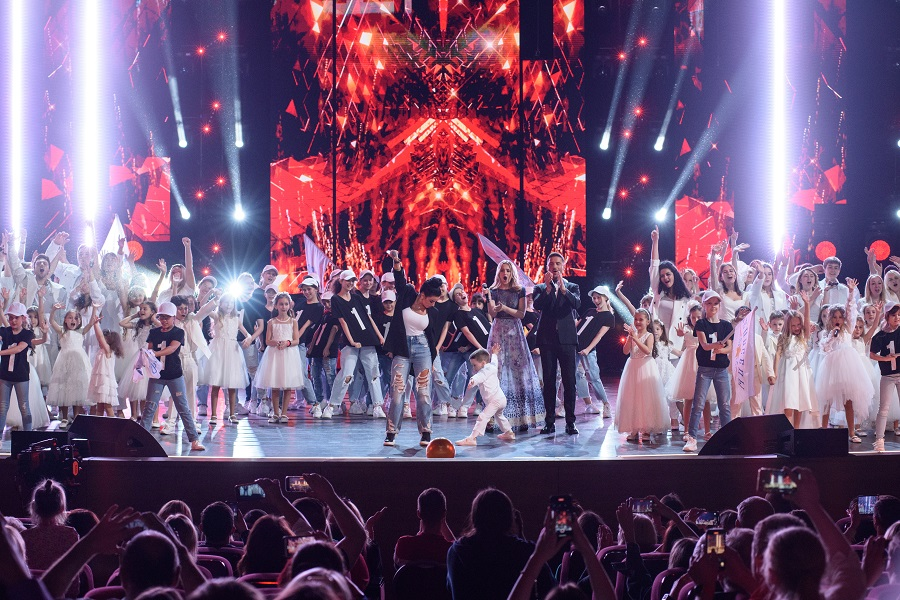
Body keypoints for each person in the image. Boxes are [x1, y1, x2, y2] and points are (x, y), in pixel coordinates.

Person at [446, 488, 554, 600]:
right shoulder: (526, 552)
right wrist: (521, 539)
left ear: (475, 517)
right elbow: (549, 589)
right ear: (509, 519)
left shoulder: (456, 552)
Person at [381, 251, 442, 447]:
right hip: (402, 349)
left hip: (423, 349)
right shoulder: (408, 294)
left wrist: (432, 360)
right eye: (431, 300)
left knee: (423, 392)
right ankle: (391, 432)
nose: (433, 304)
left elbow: (431, 336)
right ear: (422, 295)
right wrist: (397, 262)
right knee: (397, 391)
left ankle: (426, 432)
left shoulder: (433, 312)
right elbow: (400, 280)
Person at [487, 260, 545, 432]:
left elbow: (521, 314)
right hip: (498, 330)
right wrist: (490, 300)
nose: (505, 273)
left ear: (512, 273)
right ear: (498, 273)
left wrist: (505, 307)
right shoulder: (493, 291)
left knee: (518, 371)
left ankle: (522, 417)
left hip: (514, 331)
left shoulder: (520, 290)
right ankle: (493, 417)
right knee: (496, 370)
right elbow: (492, 314)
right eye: (502, 270)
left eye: (507, 270)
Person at [141, 302, 205, 451]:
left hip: (174, 374)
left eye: (167, 317)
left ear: (173, 318)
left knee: (183, 407)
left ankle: (194, 440)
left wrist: (155, 354)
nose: (164, 320)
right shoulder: (154, 332)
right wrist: (146, 357)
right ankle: (141, 439)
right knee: (149, 406)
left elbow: (172, 348)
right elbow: (149, 349)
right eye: (161, 317)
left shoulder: (178, 332)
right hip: (157, 375)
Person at [815, 279, 873, 441]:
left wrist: (851, 294)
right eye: (835, 317)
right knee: (827, 400)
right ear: (830, 319)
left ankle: (851, 432)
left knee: (848, 401)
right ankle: (824, 430)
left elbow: (851, 309)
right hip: (831, 368)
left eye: (840, 317)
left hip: (848, 366)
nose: (838, 319)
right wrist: (832, 336)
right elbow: (824, 348)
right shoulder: (827, 333)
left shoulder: (848, 328)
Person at [532, 253, 581, 435]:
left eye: (558, 263)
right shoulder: (539, 288)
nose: (555, 267)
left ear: (563, 266)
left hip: (567, 340)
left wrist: (563, 289)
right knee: (549, 381)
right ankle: (549, 422)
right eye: (551, 263)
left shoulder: (572, 286)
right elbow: (537, 305)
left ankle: (570, 422)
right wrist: (548, 289)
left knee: (569, 381)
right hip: (547, 340)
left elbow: (577, 304)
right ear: (547, 267)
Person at [327, 271, 385, 418]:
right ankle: (333, 405)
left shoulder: (357, 297)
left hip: (368, 338)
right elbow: (343, 322)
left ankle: (377, 406)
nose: (350, 283)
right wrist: (352, 341)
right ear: (341, 281)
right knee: (346, 374)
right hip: (350, 341)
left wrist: (379, 335)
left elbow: (368, 317)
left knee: (373, 373)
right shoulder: (336, 299)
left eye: (353, 281)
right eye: (348, 280)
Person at [684, 290, 734, 453]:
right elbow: (704, 345)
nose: (713, 306)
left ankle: (727, 439)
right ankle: (692, 438)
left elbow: (729, 348)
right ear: (704, 305)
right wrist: (716, 346)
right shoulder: (701, 324)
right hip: (705, 369)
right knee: (698, 404)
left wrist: (721, 350)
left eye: (716, 303)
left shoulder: (726, 325)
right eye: (710, 303)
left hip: (721, 370)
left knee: (724, 405)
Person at [616, 309, 669, 443]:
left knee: (645, 398)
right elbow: (625, 351)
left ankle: (646, 429)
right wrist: (630, 338)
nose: (638, 322)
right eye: (636, 319)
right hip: (632, 367)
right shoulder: (632, 335)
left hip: (645, 367)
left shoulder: (649, 335)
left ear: (648, 321)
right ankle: (634, 428)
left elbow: (647, 351)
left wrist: (635, 338)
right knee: (632, 398)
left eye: (641, 319)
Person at [254, 292, 304, 423]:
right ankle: (276, 412)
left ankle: (284, 413)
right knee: (275, 385)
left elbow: (296, 340)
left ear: (289, 305)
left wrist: (287, 343)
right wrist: (276, 343)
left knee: (287, 385)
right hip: (275, 354)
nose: (284, 307)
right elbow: (267, 340)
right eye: (281, 304)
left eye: (286, 304)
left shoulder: (293, 322)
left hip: (289, 354)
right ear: (276, 305)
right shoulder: (271, 322)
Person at [767, 298, 817, 428]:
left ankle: (797, 430)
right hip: (788, 374)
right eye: (793, 326)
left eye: (798, 325)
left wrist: (807, 304)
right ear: (788, 325)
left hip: (801, 373)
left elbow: (806, 320)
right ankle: (789, 431)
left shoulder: (803, 336)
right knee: (788, 403)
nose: (796, 328)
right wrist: (774, 373)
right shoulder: (783, 337)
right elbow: (778, 354)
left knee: (800, 404)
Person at [203, 294, 251, 425]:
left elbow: (247, 333)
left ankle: (232, 413)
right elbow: (204, 308)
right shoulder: (217, 316)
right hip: (218, 351)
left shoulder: (236, 318)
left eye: (231, 302)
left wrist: (248, 338)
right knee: (216, 384)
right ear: (220, 304)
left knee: (232, 385)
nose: (229, 305)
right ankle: (213, 415)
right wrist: (213, 296)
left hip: (232, 352)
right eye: (226, 302)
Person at [456, 344, 516, 446]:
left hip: (495, 401)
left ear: (483, 363)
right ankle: (509, 433)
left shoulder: (485, 370)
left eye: (475, 365)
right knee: (499, 416)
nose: (473, 368)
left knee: (483, 417)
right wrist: (494, 354)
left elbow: (480, 376)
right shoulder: (491, 367)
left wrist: (472, 381)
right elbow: (494, 361)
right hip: (501, 399)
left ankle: (472, 438)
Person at [46, 304, 92, 427]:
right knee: (63, 388)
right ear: (65, 320)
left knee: (77, 389)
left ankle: (76, 416)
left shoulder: (81, 331)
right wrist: (53, 310)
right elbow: (51, 321)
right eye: (70, 317)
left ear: (79, 321)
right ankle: (65, 417)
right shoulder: (63, 331)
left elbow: (90, 324)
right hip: (64, 362)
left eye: (76, 318)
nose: (73, 320)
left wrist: (95, 309)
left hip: (78, 362)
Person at [19, 480, 79, 570]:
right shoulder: (70, 534)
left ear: (34, 507)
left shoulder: (24, 537)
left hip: (36, 580)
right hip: (63, 580)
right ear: (62, 508)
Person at [574, 285, 614, 418]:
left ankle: (606, 404)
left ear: (605, 298)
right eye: (594, 298)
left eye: (598, 297)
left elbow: (599, 336)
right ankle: (588, 404)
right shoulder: (590, 311)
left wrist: (588, 349)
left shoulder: (608, 316)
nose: (596, 300)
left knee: (593, 377)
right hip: (574, 346)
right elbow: (576, 326)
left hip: (588, 349)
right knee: (575, 375)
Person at [393, 488, 455, 568]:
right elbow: (458, 552)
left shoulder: (404, 544)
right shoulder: (451, 550)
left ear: (418, 514)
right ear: (444, 514)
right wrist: (443, 522)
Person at [118, 301, 159, 422]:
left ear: (152, 312)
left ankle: (146, 415)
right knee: (134, 386)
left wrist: (154, 318)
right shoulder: (138, 325)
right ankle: (134, 414)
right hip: (139, 357)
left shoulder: (155, 326)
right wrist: (135, 315)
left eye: (145, 309)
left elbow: (162, 327)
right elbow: (122, 323)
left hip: (150, 358)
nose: (141, 311)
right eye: (140, 309)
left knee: (146, 389)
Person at [0, 301, 35, 432]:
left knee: (24, 407)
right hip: (4, 375)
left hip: (21, 375)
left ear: (23, 318)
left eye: (16, 317)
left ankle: (28, 435)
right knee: (2, 407)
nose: (13, 320)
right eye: (11, 317)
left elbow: (19, 348)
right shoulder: (5, 331)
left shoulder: (27, 334)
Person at [871, 302, 900, 452]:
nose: (897, 318)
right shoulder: (880, 336)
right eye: (894, 315)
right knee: (883, 408)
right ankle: (879, 440)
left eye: (899, 315)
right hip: (888, 375)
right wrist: (885, 358)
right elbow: (872, 354)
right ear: (887, 316)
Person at [86, 308, 124, 417]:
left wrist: (96, 324)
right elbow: (100, 337)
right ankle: (99, 424)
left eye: (104, 340)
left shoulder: (108, 351)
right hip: (100, 382)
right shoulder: (103, 351)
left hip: (105, 383)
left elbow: (100, 336)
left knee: (108, 407)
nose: (100, 342)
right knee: (100, 406)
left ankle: (112, 424)